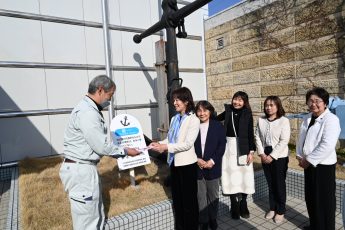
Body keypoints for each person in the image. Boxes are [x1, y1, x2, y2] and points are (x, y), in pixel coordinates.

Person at [59, 75, 139, 230]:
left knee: (93, 216)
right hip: (81, 170)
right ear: (100, 90)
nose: (110, 100)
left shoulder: (87, 108)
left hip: (81, 168)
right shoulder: (88, 113)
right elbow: (100, 146)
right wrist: (125, 151)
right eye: (110, 95)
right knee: (88, 222)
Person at [149, 87, 200, 230]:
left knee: (189, 201)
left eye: (177, 99)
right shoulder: (174, 118)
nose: (175, 102)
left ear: (186, 101)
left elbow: (187, 144)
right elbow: (171, 138)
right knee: (178, 199)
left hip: (187, 165)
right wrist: (159, 143)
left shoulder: (193, 120)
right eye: (174, 100)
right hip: (175, 164)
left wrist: (165, 148)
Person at [296, 87, 341, 230]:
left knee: (324, 201)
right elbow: (301, 138)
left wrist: (308, 160)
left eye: (317, 101)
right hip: (308, 164)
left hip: (323, 167)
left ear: (325, 103)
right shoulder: (307, 118)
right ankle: (315, 225)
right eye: (310, 101)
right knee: (311, 198)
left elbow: (327, 145)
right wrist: (299, 155)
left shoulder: (331, 119)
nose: (313, 104)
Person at [217, 91, 256, 219]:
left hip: (243, 146)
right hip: (228, 147)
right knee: (230, 174)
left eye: (240, 100)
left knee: (245, 175)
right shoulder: (228, 110)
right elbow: (214, 119)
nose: (237, 102)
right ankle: (234, 203)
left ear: (245, 102)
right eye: (235, 99)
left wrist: (251, 152)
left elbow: (250, 134)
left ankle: (243, 203)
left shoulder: (247, 114)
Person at [255, 96, 290, 224]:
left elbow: (284, 141)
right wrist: (262, 154)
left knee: (279, 184)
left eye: (272, 105)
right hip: (265, 153)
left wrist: (272, 156)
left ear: (277, 106)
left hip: (279, 156)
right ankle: (272, 208)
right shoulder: (261, 120)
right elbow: (257, 136)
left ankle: (281, 210)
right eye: (266, 105)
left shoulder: (284, 121)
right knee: (270, 183)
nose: (268, 107)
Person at [194, 101, 226, 230]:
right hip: (198, 166)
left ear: (210, 111)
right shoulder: (193, 126)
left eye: (205, 110)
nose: (202, 113)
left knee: (213, 195)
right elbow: (188, 145)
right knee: (200, 196)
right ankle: (203, 220)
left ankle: (213, 218)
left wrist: (212, 161)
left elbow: (221, 146)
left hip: (213, 166)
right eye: (199, 111)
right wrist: (197, 160)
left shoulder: (218, 126)